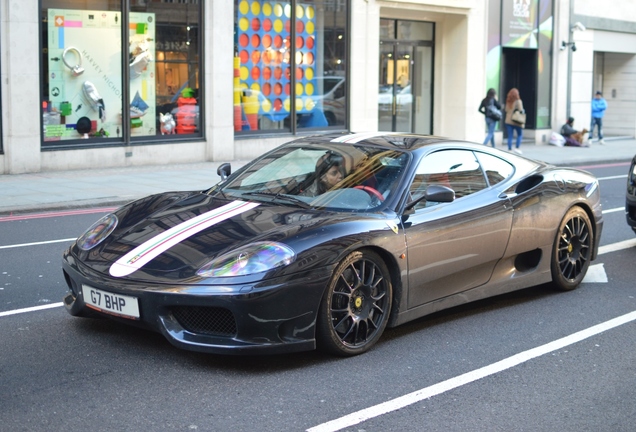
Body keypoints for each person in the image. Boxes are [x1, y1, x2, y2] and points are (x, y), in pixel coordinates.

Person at [504, 88, 524, 154]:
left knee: (510, 135)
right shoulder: (518, 101)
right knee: (520, 134)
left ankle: (509, 149)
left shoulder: (508, 101)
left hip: (508, 121)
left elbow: (506, 110)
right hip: (517, 120)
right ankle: (517, 148)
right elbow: (521, 110)